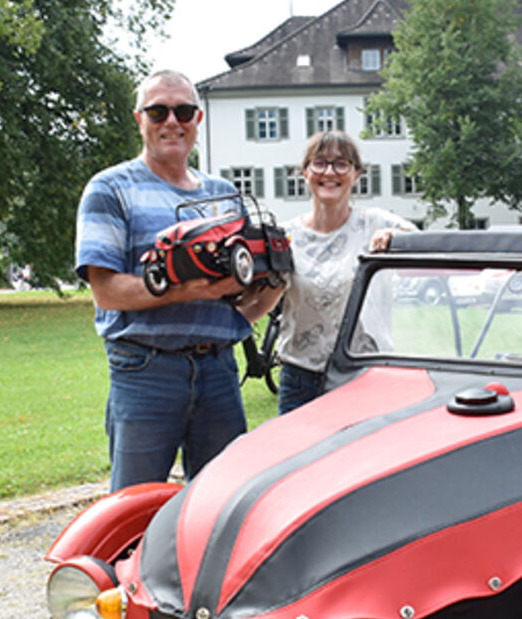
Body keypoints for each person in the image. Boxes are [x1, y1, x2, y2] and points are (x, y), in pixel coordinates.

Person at [75, 70, 283, 490]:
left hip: (219, 367)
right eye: (158, 111)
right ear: (140, 119)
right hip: (146, 369)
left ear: (197, 119)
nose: (172, 120)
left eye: (183, 110)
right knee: (135, 501)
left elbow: (247, 290)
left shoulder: (224, 193)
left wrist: (268, 291)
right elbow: (106, 289)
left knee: (221, 501)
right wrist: (185, 290)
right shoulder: (110, 188)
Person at [275, 131, 415, 414]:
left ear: (356, 175)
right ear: (305, 172)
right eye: (320, 162)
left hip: (364, 375)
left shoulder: (377, 223)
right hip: (300, 377)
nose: (329, 172)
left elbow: (422, 245)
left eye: (341, 164)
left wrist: (396, 238)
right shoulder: (285, 236)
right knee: (301, 457)